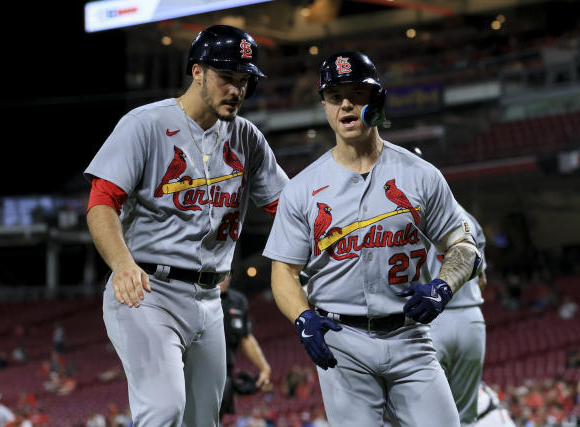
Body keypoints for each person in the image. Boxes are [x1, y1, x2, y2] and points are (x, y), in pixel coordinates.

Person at [263, 51, 481, 426]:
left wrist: (443, 286)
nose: (346, 103)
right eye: (335, 95)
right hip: (340, 340)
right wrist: (302, 317)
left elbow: (462, 245)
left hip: (410, 336)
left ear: (376, 99)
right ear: (325, 106)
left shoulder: (421, 175)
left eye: (357, 92)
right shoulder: (302, 189)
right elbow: (284, 271)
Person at [85, 25, 288, 427]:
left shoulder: (246, 137)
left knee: (202, 421)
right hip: (147, 290)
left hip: (210, 299)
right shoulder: (146, 124)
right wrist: (122, 264)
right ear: (197, 72)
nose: (237, 90)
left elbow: (288, 209)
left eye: (244, 80)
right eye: (227, 77)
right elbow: (100, 203)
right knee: (163, 410)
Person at [428, 205, 487, 427]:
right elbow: (482, 279)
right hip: (470, 318)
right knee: (466, 418)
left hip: (429, 321)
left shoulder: (407, 217)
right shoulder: (467, 217)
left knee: (427, 416)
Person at [218, 274, 272, 420]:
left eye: (227, 273)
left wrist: (264, 368)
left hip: (225, 372)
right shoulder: (196, 294)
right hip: (195, 368)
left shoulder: (238, 300)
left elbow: (245, 337)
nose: (224, 278)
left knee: (215, 420)